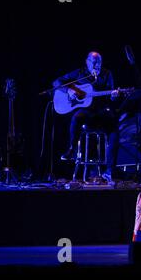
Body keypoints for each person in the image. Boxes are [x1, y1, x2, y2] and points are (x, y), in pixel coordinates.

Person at [52, 51, 120, 182]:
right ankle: (71, 149)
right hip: (86, 113)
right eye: (94, 62)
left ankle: (110, 170)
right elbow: (56, 82)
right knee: (76, 117)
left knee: (114, 129)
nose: (97, 65)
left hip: (102, 112)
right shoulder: (80, 73)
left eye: (99, 62)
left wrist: (114, 96)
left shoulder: (107, 74)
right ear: (87, 62)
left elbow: (112, 98)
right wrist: (70, 90)